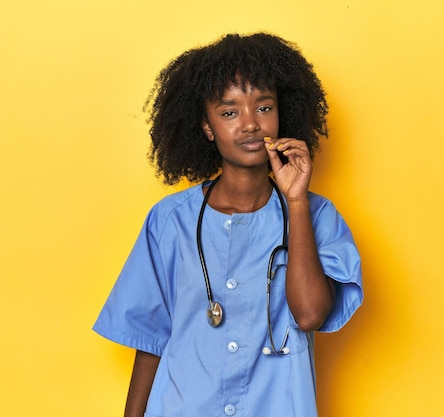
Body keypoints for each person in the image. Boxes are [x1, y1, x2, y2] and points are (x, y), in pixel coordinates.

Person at [93, 32, 363, 417]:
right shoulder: (169, 220)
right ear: (207, 127)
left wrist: (297, 200)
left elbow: (309, 316)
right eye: (230, 112)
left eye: (264, 107)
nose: (251, 125)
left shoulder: (316, 216)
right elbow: (150, 340)